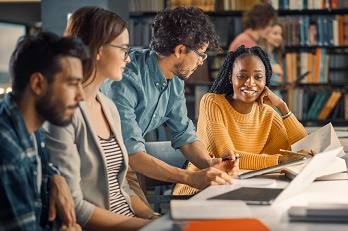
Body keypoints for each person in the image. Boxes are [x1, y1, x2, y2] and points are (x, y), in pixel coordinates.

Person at [100, 5, 239, 200]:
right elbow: (132, 154)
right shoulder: (127, 78)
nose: (201, 62)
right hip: (102, 166)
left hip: (125, 165)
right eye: (200, 55)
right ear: (180, 50)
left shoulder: (174, 83)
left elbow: (185, 135)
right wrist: (190, 178)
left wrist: (211, 164)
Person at [44, 7, 158, 230]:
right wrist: (144, 226)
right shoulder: (63, 115)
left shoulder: (108, 106)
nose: (128, 59)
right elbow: (75, 206)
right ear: (97, 49)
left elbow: (122, 187)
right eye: (124, 50)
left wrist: (154, 217)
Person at [173, 45, 308, 195]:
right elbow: (230, 159)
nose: (250, 82)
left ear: (266, 81)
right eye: (242, 76)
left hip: (240, 187)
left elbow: (301, 150)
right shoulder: (212, 103)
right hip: (201, 189)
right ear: (231, 77)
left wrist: (282, 107)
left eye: (258, 77)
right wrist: (280, 161)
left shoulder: (268, 114)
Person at [0, 31, 88, 230]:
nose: (81, 96)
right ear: (38, 84)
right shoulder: (8, 156)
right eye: (73, 84)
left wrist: (54, 176)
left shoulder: (31, 127)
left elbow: (42, 163)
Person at [259, 22, 285, 88]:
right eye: (275, 33)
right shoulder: (259, 54)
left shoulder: (276, 54)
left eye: (281, 34)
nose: (280, 37)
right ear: (265, 34)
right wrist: (271, 68)